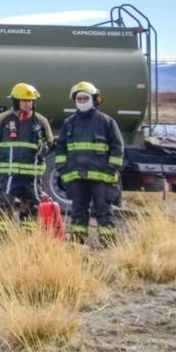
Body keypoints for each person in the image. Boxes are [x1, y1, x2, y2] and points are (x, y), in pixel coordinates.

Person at [55, 81, 124, 246]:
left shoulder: (107, 122)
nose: (82, 101)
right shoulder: (69, 123)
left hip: (102, 177)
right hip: (76, 177)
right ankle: (78, 240)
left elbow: (117, 147)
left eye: (85, 98)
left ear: (94, 99)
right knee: (78, 210)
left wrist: (111, 169)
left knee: (103, 210)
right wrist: (63, 170)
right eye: (79, 99)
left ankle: (108, 242)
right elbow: (61, 148)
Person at [0, 83, 54, 235]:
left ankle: (27, 238)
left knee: (31, 206)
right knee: (5, 203)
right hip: (10, 174)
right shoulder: (2, 119)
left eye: (30, 101)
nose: (28, 104)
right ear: (15, 101)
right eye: (24, 100)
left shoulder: (41, 121)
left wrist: (45, 148)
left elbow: (50, 143)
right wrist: (3, 155)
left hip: (32, 175)